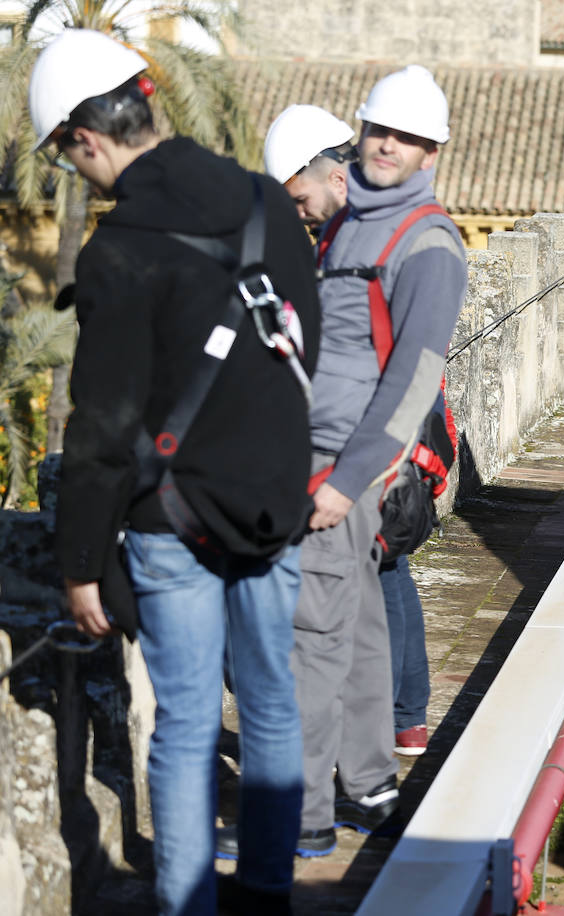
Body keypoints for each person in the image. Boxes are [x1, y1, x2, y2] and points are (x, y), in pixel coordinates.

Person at [31, 28, 321, 916]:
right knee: (272, 703)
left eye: (67, 158)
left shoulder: (119, 253)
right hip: (275, 500)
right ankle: (268, 892)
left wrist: (82, 564)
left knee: (189, 724)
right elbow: (303, 341)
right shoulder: (270, 202)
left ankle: (190, 905)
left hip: (172, 519)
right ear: (150, 100)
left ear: (87, 140)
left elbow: (104, 427)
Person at [218, 65, 467, 859]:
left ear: (432, 153)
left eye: (408, 138)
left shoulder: (426, 242)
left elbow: (413, 379)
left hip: (341, 467)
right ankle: (366, 787)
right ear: (357, 135)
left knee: (305, 639)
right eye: (379, 130)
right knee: (355, 626)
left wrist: (345, 481)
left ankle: (296, 819)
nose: (388, 146)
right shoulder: (348, 226)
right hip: (318, 455)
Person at [261, 102, 440, 757]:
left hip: (378, 431)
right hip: (388, 428)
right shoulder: (345, 236)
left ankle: (373, 729)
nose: (297, 213)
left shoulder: (376, 234)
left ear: (335, 179)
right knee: (387, 568)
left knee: (374, 571)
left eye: (299, 197)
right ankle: (404, 720)